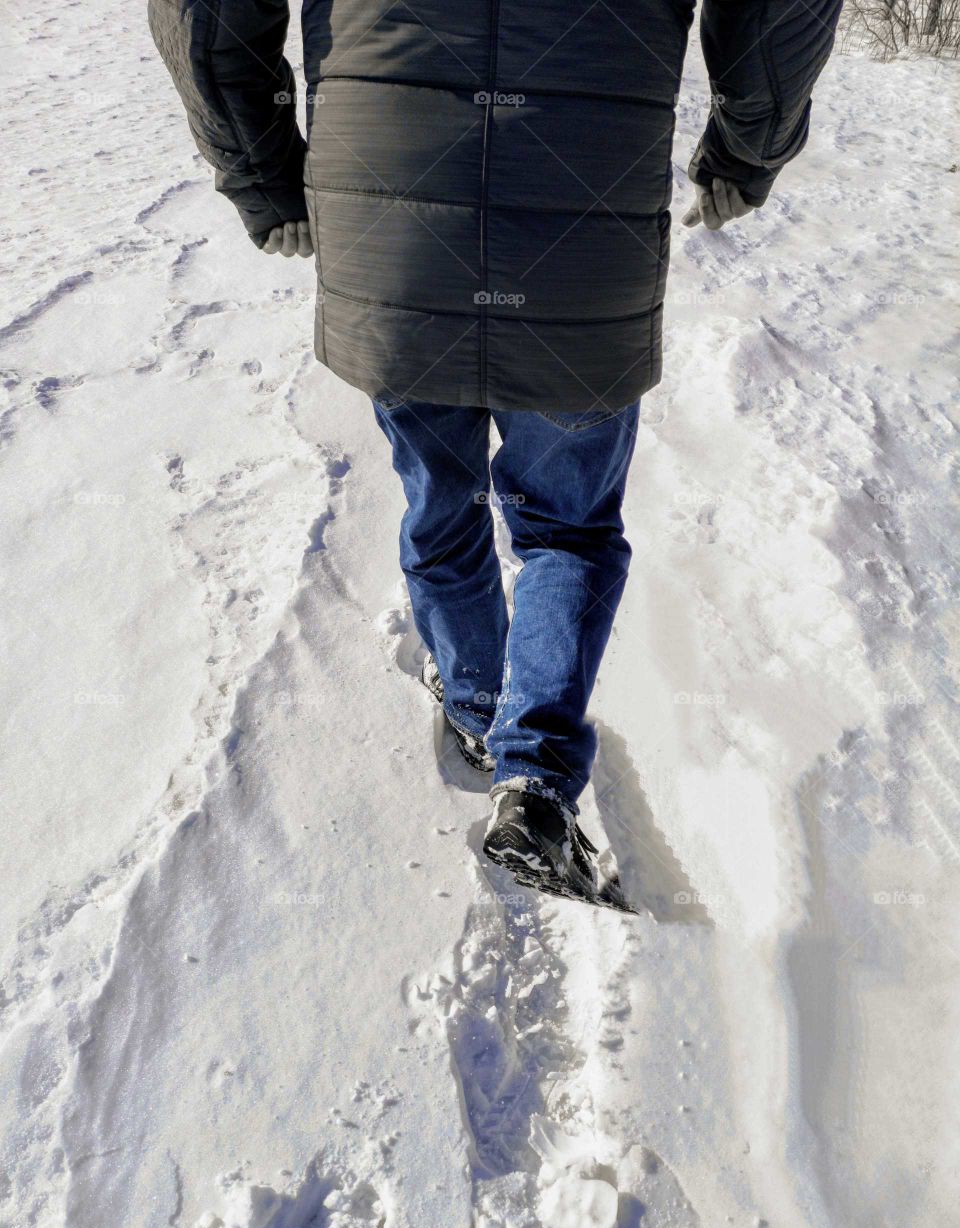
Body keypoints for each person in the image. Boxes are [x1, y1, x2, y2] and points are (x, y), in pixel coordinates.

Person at [149, 0, 840, 907]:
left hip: (391, 213)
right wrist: (746, 150)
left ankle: (477, 703)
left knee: (439, 490)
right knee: (568, 528)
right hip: (583, 216)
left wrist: (260, 168)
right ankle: (537, 790)